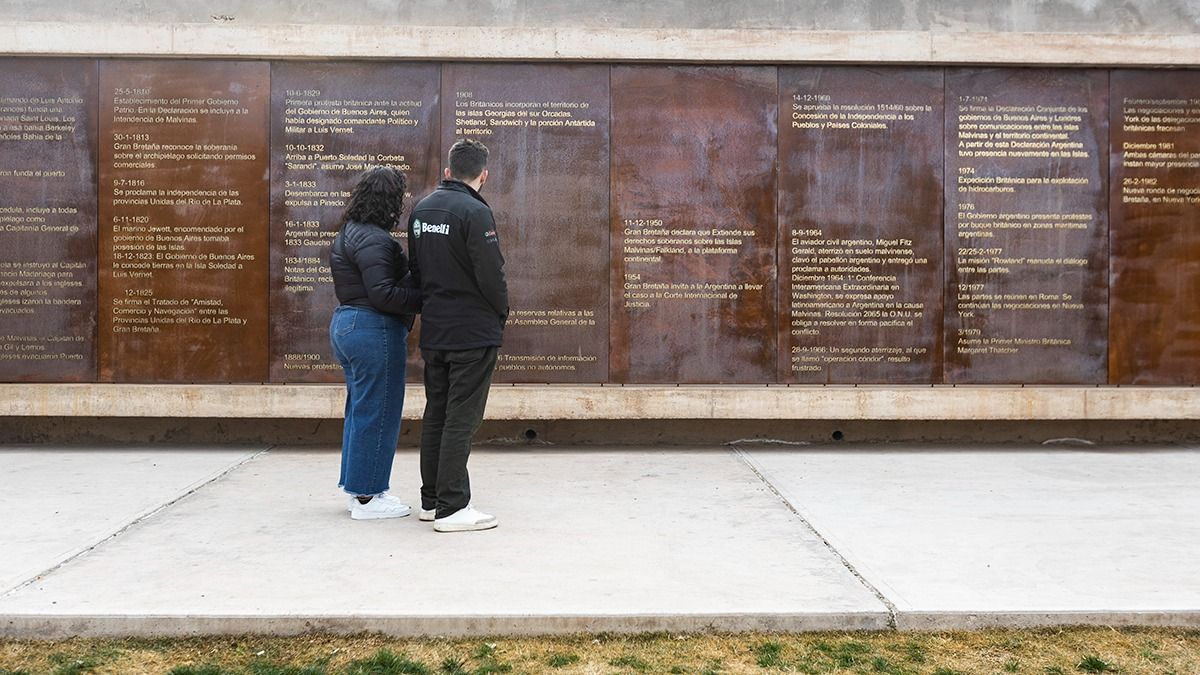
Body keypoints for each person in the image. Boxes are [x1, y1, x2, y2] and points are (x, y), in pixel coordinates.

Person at [407, 139, 507, 533]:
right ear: (484, 175)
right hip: (471, 332)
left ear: (448, 171)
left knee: (437, 413)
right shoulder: (476, 211)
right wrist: (500, 313)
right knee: (461, 419)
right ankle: (452, 507)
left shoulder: (422, 209)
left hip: (436, 331)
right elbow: (491, 274)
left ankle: (432, 501)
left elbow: (417, 272)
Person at [329, 166, 421, 520]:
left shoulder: (350, 232)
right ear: (390, 201)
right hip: (373, 329)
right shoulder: (374, 239)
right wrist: (428, 297)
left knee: (361, 411)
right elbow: (384, 294)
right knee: (377, 412)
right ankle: (368, 498)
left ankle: (360, 490)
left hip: (349, 325)